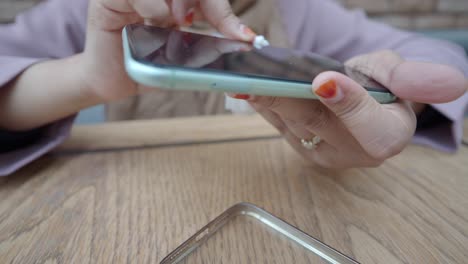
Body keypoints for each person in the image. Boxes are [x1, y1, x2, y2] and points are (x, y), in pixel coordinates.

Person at [0, 0, 466, 175]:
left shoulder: (300, 12)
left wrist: (406, 96)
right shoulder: (90, 8)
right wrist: (84, 79)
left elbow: (432, 60)